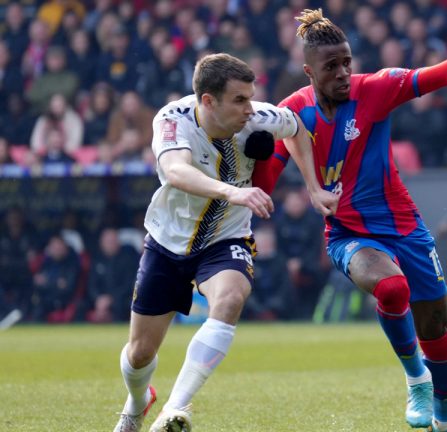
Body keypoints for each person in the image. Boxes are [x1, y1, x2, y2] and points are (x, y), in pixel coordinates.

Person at [251, 8, 447, 432]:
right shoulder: (291, 114)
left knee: (437, 330)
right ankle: (416, 379)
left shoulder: (374, 90)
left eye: (347, 63)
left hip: (407, 227)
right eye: (330, 67)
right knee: (392, 289)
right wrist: (253, 165)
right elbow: (264, 180)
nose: (342, 73)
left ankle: (446, 422)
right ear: (308, 71)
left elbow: (442, 73)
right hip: (349, 234)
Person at [112, 53, 338, 432]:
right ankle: (138, 401)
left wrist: (314, 188)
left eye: (250, 97)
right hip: (168, 241)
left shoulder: (259, 117)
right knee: (139, 354)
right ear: (207, 102)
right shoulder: (172, 120)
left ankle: (174, 409)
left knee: (230, 298)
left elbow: (298, 129)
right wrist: (231, 192)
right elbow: (175, 170)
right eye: (239, 100)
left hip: (226, 238)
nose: (250, 109)